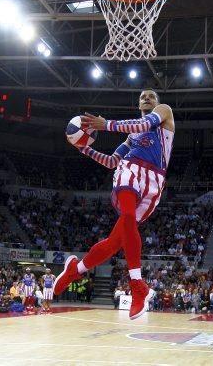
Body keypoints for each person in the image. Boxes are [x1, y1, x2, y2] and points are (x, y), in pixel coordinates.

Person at [53, 90, 174, 319]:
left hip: (154, 181)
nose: (147, 98)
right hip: (129, 171)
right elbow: (111, 162)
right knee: (127, 217)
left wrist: (105, 124)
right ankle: (138, 286)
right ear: (138, 102)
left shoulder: (164, 112)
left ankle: (76, 270)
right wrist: (83, 148)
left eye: (151, 96)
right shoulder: (131, 138)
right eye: (143, 96)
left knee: (114, 243)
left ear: (157, 102)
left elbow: (144, 124)